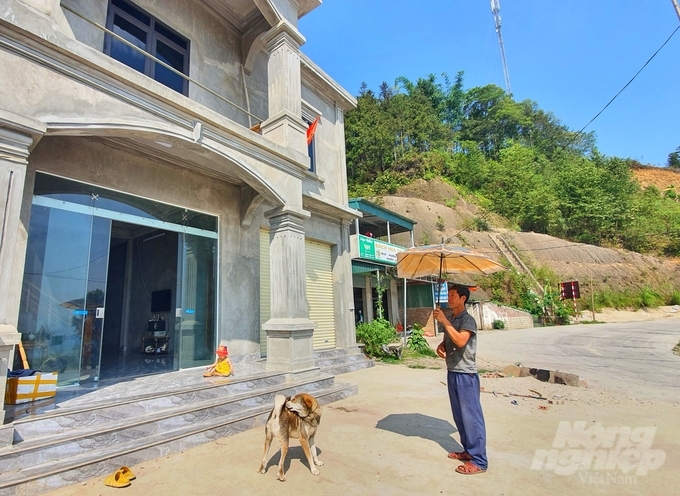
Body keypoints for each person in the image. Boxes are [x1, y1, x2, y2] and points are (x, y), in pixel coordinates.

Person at [432, 284, 488, 475]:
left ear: (463, 298)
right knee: (460, 416)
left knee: (471, 418)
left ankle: (479, 460)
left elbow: (462, 340)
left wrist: (444, 321)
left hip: (466, 374)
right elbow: (452, 340)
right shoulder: (454, 319)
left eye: (453, 295)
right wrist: (442, 345)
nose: (450, 298)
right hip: (453, 371)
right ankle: (468, 451)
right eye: (449, 294)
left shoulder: (467, 320)